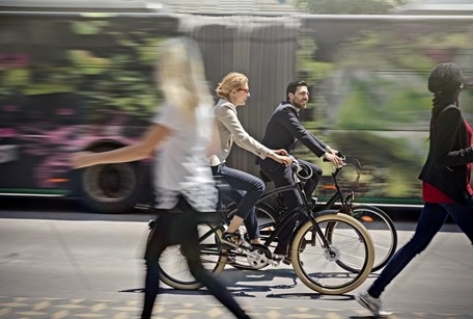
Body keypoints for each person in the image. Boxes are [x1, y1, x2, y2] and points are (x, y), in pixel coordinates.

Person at [70, 38, 252, 319]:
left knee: (153, 259)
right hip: (197, 198)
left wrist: (91, 159)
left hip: (180, 199)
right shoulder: (203, 106)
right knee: (195, 270)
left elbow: (143, 149)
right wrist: (183, 150)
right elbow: (212, 148)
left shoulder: (175, 106)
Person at [356, 62, 473, 317]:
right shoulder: (450, 112)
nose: (464, 81)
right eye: (461, 78)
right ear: (456, 84)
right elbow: (444, 157)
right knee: (417, 242)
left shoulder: (443, 110)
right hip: (450, 189)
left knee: (417, 242)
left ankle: (373, 294)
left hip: (437, 187)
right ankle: (373, 293)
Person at [257, 80, 343, 259]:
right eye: (302, 93)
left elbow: (306, 133)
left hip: (285, 160)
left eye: (307, 94)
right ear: (291, 96)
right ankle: (282, 250)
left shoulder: (290, 112)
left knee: (315, 172)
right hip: (274, 163)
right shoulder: (285, 112)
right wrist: (323, 155)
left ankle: (298, 210)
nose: (306, 97)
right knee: (295, 205)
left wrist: (328, 149)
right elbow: (302, 135)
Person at [211, 72, 291, 249]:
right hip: (211, 168)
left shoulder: (223, 107)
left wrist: (270, 152)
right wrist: (272, 155)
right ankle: (230, 233)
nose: (248, 94)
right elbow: (242, 139)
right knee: (257, 186)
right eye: (246, 90)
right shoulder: (225, 109)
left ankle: (256, 245)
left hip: (213, 166)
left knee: (246, 201)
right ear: (233, 91)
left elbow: (240, 139)